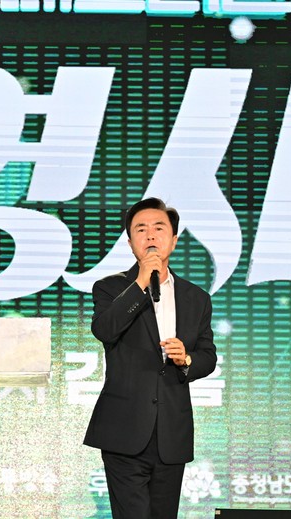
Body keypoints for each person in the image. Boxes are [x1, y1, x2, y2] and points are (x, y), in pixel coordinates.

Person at [83, 197, 217, 519]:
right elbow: (105, 329)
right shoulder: (110, 288)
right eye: (141, 230)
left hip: (171, 432)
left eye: (159, 228)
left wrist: (186, 359)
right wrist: (141, 281)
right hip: (123, 429)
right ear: (131, 243)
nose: (151, 235)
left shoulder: (196, 297)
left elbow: (208, 356)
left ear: (174, 239)